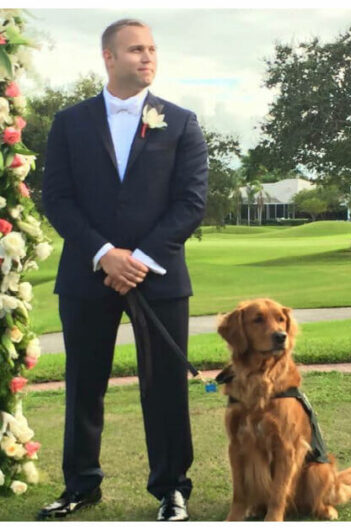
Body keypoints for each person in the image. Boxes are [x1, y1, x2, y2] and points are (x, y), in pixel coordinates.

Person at [39, 19, 208, 521]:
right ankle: (81, 485)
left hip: (159, 277)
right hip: (88, 274)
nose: (147, 57)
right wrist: (104, 253)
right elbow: (58, 199)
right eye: (136, 49)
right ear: (108, 57)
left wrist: (139, 260)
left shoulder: (180, 122)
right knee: (83, 384)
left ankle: (172, 488)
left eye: (152, 49)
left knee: (165, 386)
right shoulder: (70, 122)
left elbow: (190, 202)